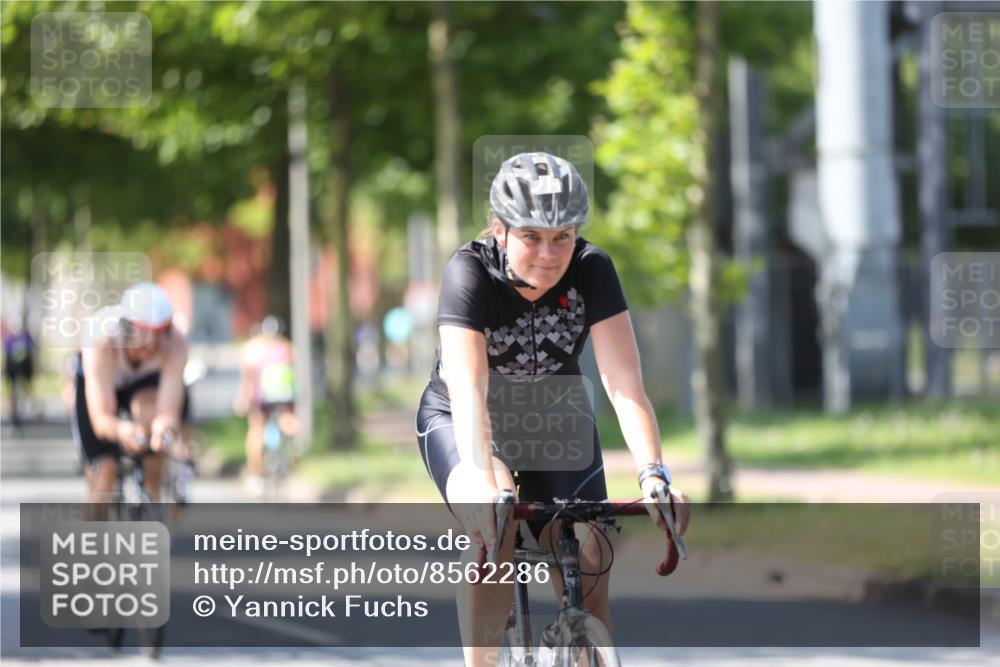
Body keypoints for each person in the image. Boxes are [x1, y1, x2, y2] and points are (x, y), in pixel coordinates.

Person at [415, 152, 692, 666]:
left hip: (552, 415)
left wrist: (654, 475)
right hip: (464, 416)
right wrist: (488, 484)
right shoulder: (468, 271)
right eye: (531, 237)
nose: (549, 253)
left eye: (562, 236)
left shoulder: (592, 270)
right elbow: (469, 390)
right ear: (500, 231)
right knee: (493, 529)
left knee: (591, 553)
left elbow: (624, 383)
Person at [72, 282, 189, 510]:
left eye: (159, 334)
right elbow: (102, 417)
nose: (152, 344)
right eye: (143, 333)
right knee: (104, 476)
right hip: (101, 383)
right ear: (126, 329)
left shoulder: (176, 342)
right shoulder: (101, 339)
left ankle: (152, 503)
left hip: (142, 385)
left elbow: (168, 410)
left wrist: (162, 430)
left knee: (151, 420)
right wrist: (121, 430)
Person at [233, 315, 298, 496]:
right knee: (289, 421)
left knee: (257, 430)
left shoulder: (252, 350)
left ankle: (255, 473)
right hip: (286, 396)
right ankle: (293, 452)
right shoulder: (289, 348)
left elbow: (248, 379)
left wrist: (243, 399)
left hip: (262, 398)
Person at [3, 317, 36, 428]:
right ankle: (13, 414)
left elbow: (31, 354)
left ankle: (30, 411)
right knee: (13, 392)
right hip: (12, 367)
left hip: (24, 366)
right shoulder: (9, 338)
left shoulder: (26, 337)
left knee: (27, 389)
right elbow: (6, 355)